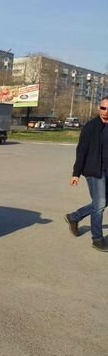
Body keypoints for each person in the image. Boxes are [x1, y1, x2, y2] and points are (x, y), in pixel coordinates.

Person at [65, 96, 108, 251]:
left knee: (101, 202)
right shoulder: (90, 127)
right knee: (100, 205)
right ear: (98, 108)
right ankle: (97, 239)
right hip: (94, 171)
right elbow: (81, 151)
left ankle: (74, 217)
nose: (105, 112)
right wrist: (76, 173)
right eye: (103, 108)